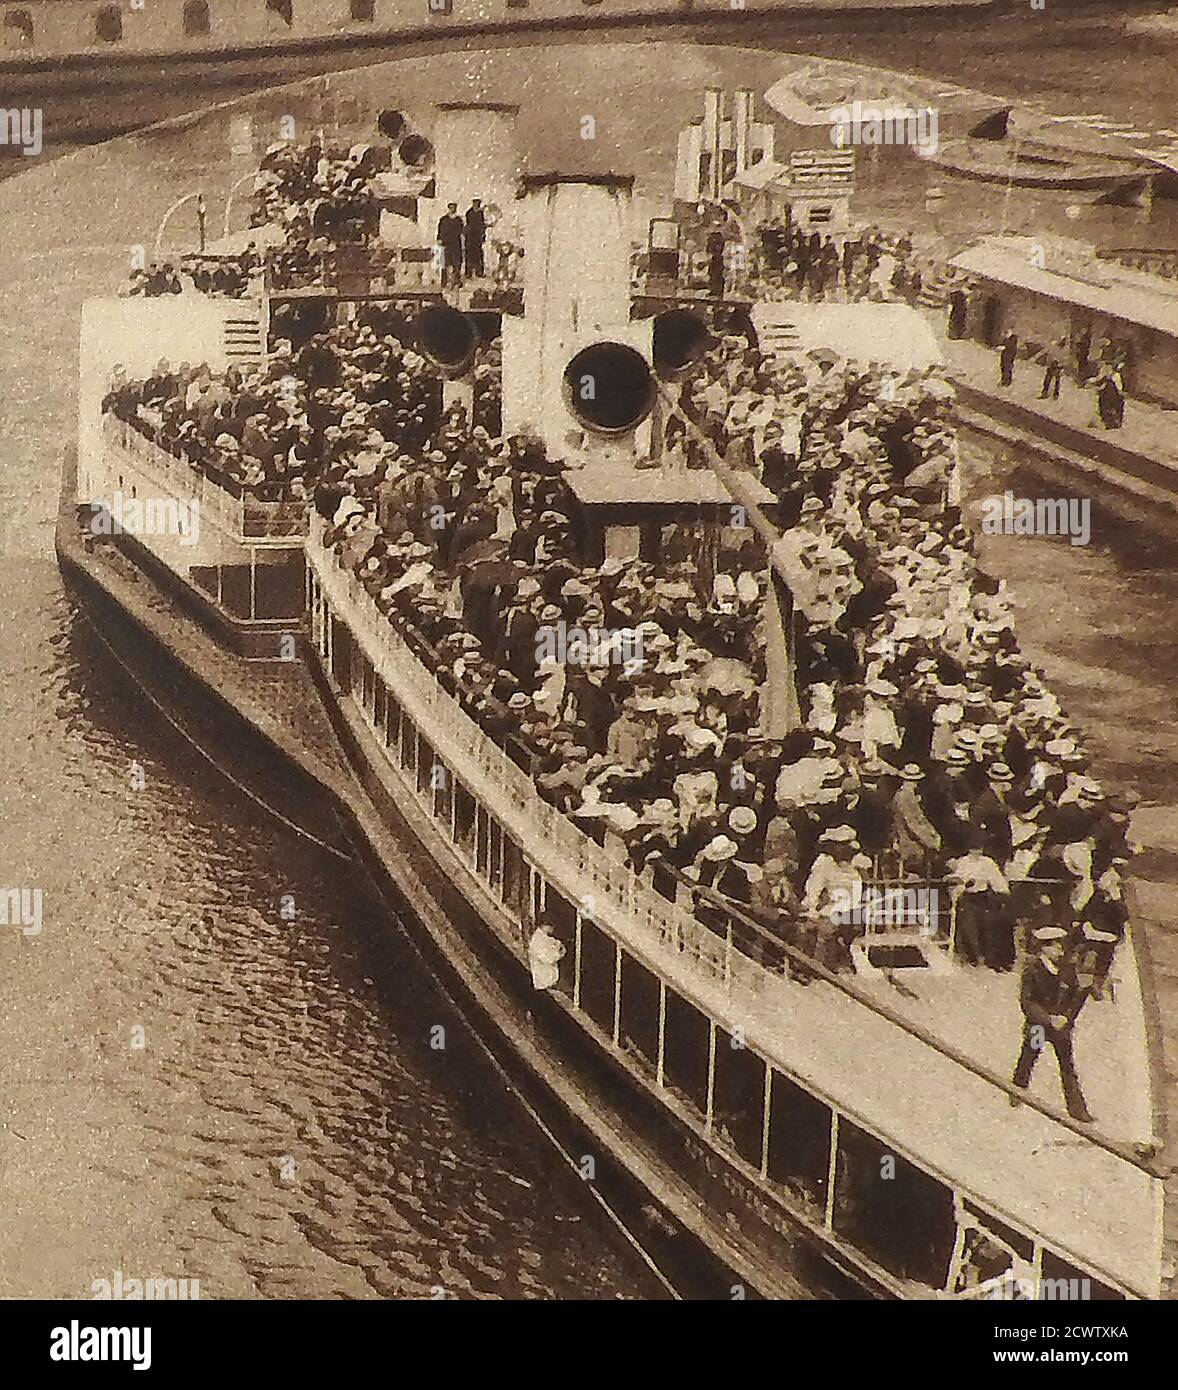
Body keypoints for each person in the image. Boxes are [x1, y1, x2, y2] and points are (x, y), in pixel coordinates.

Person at [1010, 930, 1094, 1123]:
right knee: (1029, 1058)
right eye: (1055, 946)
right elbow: (1027, 1002)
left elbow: (1073, 998)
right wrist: (1049, 1019)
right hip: (1040, 1026)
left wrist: (1066, 1017)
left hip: (1061, 1029)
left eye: (1060, 945)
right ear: (1044, 948)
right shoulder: (1032, 970)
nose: (1060, 950)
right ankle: (1016, 1092)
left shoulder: (1066, 969)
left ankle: (1078, 1110)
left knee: (1067, 1066)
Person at [437, 203, 464, 290]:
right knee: (445, 263)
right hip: (446, 244)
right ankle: (444, 281)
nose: (452, 209)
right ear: (448, 208)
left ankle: (456, 280)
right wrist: (439, 238)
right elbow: (440, 230)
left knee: (456, 262)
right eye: (451, 207)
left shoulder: (458, 220)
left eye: (454, 208)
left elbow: (461, 231)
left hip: (456, 243)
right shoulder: (444, 219)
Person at [464, 199, 486, 280]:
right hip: (470, 237)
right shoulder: (469, 213)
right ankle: (468, 272)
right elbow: (468, 224)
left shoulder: (480, 213)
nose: (477, 205)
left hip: (478, 237)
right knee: (469, 254)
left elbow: (482, 224)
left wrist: (483, 234)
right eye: (476, 203)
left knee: (479, 254)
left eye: (478, 203)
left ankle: (479, 271)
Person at [1038, 335, 1065, 401]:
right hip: (1054, 366)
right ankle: (1051, 394)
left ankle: (1049, 393)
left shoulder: (1057, 349)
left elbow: (1051, 356)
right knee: (1052, 381)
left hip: (1055, 366)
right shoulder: (1057, 348)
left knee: (1051, 381)